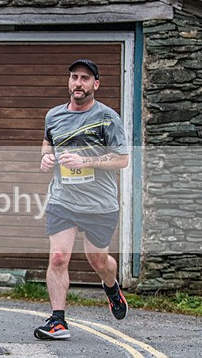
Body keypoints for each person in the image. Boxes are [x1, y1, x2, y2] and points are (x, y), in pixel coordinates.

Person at [35, 59, 130, 340]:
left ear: (95, 85)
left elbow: (123, 159)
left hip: (99, 203)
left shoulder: (107, 118)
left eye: (85, 78)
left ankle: (111, 288)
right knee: (58, 257)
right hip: (63, 199)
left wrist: (85, 160)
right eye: (74, 77)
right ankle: (58, 321)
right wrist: (45, 157)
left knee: (98, 261)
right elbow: (47, 142)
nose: (78, 83)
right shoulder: (53, 116)